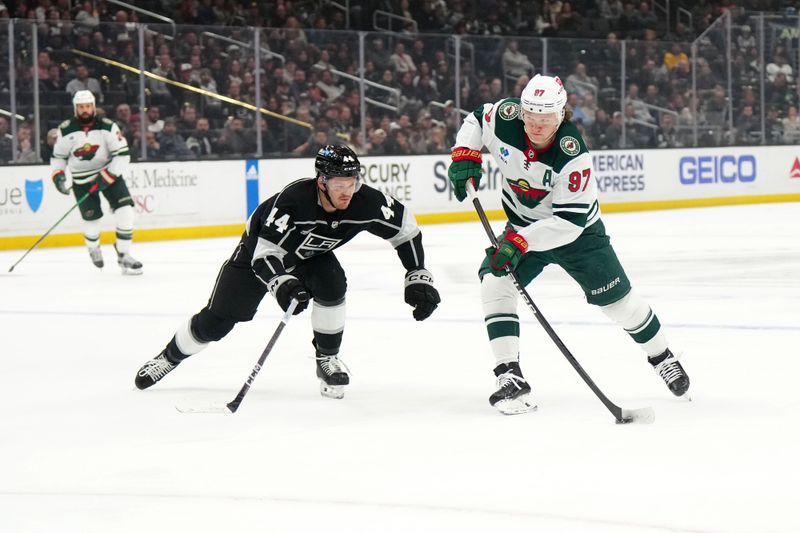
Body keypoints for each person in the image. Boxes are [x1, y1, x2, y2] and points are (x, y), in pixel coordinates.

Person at [447, 74, 689, 415]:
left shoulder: (572, 155)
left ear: (562, 114)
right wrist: (464, 153)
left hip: (579, 237)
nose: (536, 123)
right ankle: (509, 375)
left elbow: (569, 223)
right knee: (494, 281)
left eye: (545, 116)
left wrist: (520, 241)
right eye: (530, 114)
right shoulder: (505, 117)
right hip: (523, 228)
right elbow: (477, 117)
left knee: (620, 306)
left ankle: (663, 357)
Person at [134, 145, 441, 398]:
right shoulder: (292, 203)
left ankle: (327, 359)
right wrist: (281, 284)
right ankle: (168, 357)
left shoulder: (366, 201)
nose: (347, 192)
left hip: (311, 257)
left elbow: (406, 230)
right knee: (217, 323)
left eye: (352, 183)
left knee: (333, 284)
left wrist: (416, 273)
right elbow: (264, 256)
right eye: (338, 185)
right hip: (257, 257)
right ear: (321, 182)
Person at [49, 90, 142, 275]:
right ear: (76, 108)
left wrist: (107, 176)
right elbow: (58, 157)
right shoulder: (66, 129)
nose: (85, 110)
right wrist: (58, 175)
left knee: (126, 213)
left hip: (109, 175)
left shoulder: (107, 126)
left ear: (93, 107)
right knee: (92, 221)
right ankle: (93, 247)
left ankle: (124, 255)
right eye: (81, 107)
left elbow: (123, 155)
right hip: (81, 180)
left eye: (88, 106)